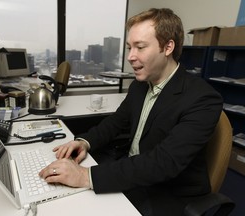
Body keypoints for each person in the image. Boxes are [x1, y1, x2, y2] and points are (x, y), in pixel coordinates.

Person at [39, 8, 223, 216]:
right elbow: (116, 122)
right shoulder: (140, 85)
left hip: (167, 192)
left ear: (168, 47)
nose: (131, 57)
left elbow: (163, 163)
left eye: (140, 47)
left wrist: (85, 176)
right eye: (129, 48)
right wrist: (84, 142)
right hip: (134, 174)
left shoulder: (203, 99)